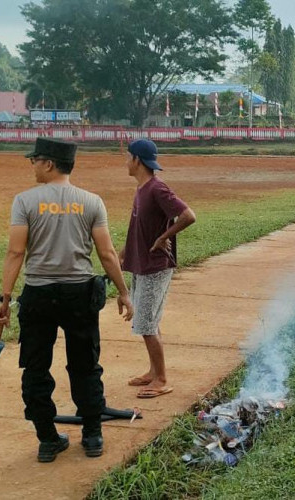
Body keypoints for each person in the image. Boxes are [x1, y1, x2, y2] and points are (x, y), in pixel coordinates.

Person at [0, 137, 134, 463]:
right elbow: (107, 253)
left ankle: (47, 439)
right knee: (86, 365)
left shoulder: (25, 202)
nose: (32, 165)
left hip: (39, 295)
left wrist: (5, 298)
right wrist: (124, 293)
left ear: (49, 163)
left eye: (35, 160)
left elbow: (16, 252)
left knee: (35, 367)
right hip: (79, 294)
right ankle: (93, 436)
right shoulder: (91, 202)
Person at [121, 139, 196, 398]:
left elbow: (188, 215)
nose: (126, 161)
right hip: (141, 264)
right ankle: (153, 371)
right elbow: (136, 226)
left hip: (155, 266)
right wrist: (124, 253)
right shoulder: (141, 189)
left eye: (128, 156)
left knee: (145, 323)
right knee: (149, 320)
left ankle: (162, 379)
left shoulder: (156, 188)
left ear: (137, 161)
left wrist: (165, 237)